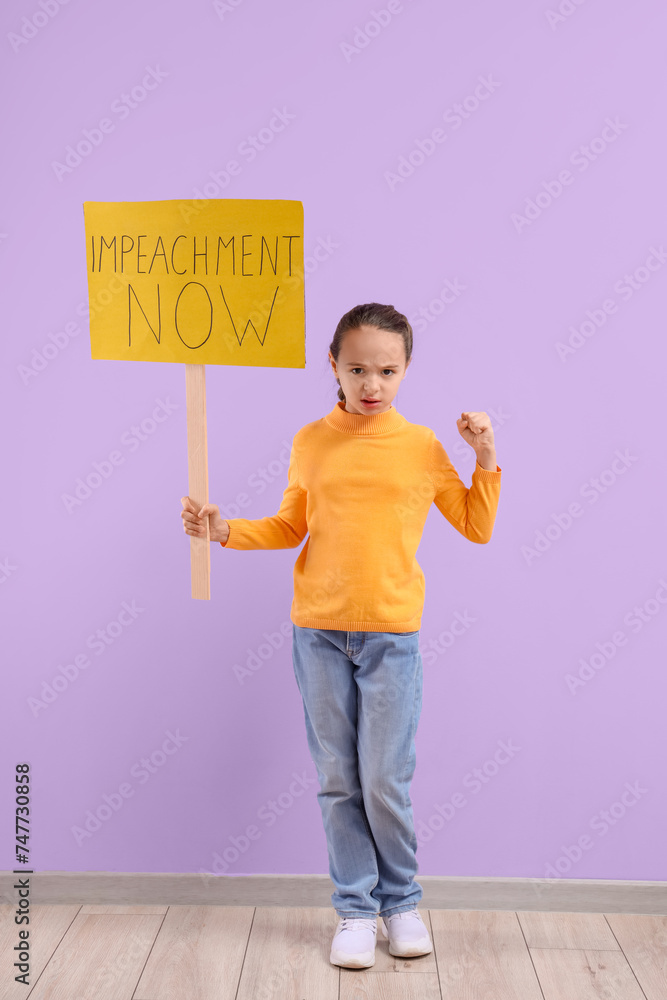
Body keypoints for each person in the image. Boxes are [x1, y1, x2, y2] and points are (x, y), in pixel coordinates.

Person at [180, 302, 502, 969]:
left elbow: (475, 524)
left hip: (391, 636)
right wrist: (224, 529)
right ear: (333, 364)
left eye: (386, 370)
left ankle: (401, 903)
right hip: (318, 634)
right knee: (336, 777)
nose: (371, 383)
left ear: (405, 368)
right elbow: (289, 526)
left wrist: (485, 455)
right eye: (356, 368)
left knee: (385, 777)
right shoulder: (310, 439)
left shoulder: (419, 446)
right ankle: (354, 912)